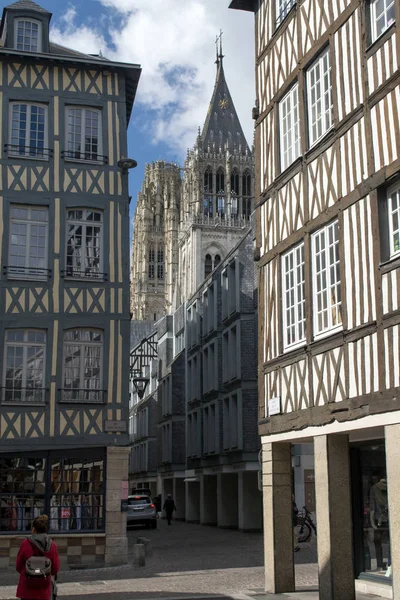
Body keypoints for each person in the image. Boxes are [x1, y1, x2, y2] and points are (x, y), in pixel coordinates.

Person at [16, 514, 60, 600]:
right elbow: (55, 569)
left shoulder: (25, 544)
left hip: (27, 588)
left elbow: (18, 567)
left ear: (33, 529)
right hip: (44, 589)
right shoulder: (52, 545)